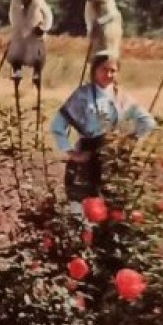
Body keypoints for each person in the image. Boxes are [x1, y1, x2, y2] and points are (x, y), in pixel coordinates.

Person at [50, 50, 157, 209]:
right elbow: (57, 125)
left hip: (114, 159)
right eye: (104, 69)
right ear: (94, 71)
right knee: (84, 206)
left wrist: (130, 139)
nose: (108, 74)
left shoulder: (122, 97)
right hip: (87, 158)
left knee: (113, 205)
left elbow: (148, 122)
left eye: (112, 70)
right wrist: (72, 153)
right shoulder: (82, 95)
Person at [7, 0, 54, 88]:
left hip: (34, 30)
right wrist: (15, 26)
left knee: (37, 54)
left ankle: (36, 73)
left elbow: (48, 15)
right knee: (16, 52)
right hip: (19, 31)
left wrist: (43, 28)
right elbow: (11, 13)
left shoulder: (39, 0)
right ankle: (17, 71)